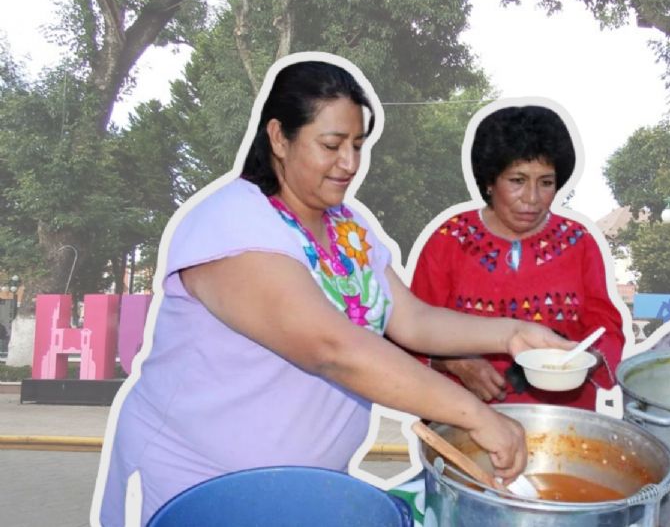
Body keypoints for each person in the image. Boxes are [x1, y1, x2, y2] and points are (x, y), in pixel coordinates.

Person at [95, 56, 573, 526]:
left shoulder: (347, 227)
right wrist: (473, 415)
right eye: (332, 145)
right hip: (199, 488)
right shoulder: (232, 225)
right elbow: (332, 349)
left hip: (304, 491)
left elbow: (412, 321)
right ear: (279, 137)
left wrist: (513, 335)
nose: (349, 164)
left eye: (358, 145)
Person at [409, 104, 627, 411]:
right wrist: (454, 362)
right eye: (517, 180)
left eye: (546, 182)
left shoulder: (580, 242)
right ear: (489, 181)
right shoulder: (448, 241)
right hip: (462, 420)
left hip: (562, 422)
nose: (532, 198)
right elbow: (409, 329)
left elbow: (606, 327)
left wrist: (584, 361)